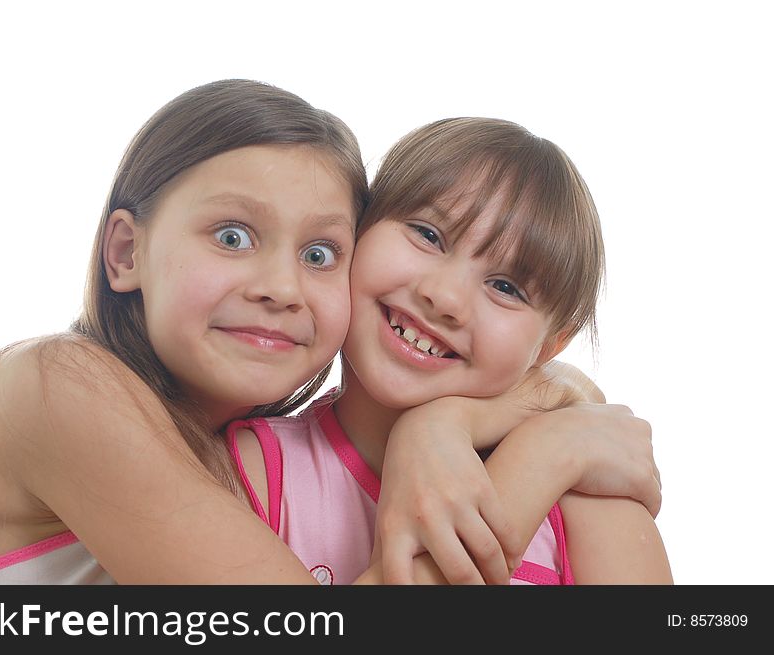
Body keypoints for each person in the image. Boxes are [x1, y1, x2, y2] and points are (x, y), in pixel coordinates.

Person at [0, 81, 660, 585]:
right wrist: (545, 450)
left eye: (320, 253)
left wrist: (452, 419)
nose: (280, 285)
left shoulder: (218, 451)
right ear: (126, 252)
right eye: (231, 236)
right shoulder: (57, 387)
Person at [228, 117, 672, 584]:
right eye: (428, 234)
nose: (445, 298)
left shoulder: (590, 498)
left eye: (505, 287)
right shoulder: (252, 468)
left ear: (551, 345)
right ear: (357, 228)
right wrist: (541, 459)